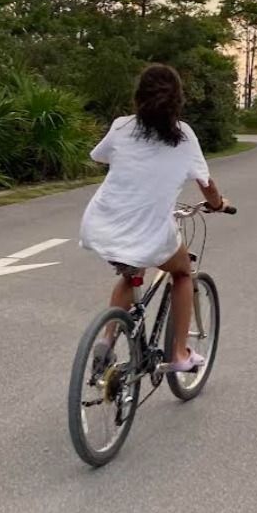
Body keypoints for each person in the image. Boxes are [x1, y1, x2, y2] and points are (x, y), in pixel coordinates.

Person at [80, 64, 229, 373]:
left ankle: (106, 342)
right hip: (149, 231)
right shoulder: (184, 135)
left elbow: (99, 156)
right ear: (177, 99)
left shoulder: (122, 126)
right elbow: (207, 185)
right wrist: (217, 204)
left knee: (130, 273)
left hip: (103, 224)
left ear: (139, 97)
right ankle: (178, 353)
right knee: (184, 272)